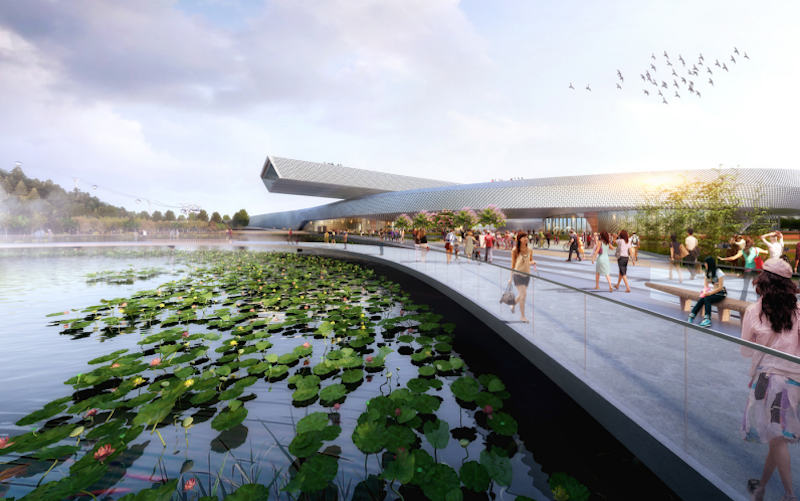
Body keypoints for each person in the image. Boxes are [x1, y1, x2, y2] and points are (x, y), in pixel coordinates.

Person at [740, 258, 800, 501]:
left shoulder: (754, 311)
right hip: (795, 382)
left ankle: (789, 495)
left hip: (767, 383)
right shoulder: (798, 312)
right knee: (778, 438)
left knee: (777, 439)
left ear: (763, 281)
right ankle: (761, 487)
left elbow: (745, 350)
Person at [721, 237, 768, 301]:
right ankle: (759, 302)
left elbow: (733, 258)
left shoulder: (743, 251)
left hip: (747, 271)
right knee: (758, 287)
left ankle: (742, 300)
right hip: (756, 270)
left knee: (745, 287)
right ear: (752, 243)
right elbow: (766, 252)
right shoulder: (756, 249)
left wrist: (724, 259)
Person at [687, 257, 727, 327]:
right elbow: (706, 286)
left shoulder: (719, 272)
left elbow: (720, 287)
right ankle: (691, 317)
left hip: (721, 293)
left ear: (709, 264)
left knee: (707, 299)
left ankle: (707, 320)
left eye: (706, 263)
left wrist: (709, 293)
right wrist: (705, 292)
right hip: (712, 292)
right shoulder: (706, 273)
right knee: (702, 299)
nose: (705, 265)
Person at [508, 232, 537, 323]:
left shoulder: (530, 250)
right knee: (524, 294)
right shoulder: (514, 250)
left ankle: (513, 305)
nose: (525, 238)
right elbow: (513, 264)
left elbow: (530, 261)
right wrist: (510, 277)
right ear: (519, 239)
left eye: (526, 237)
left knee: (521, 294)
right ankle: (522, 316)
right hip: (518, 274)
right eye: (523, 237)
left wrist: (532, 262)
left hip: (527, 274)